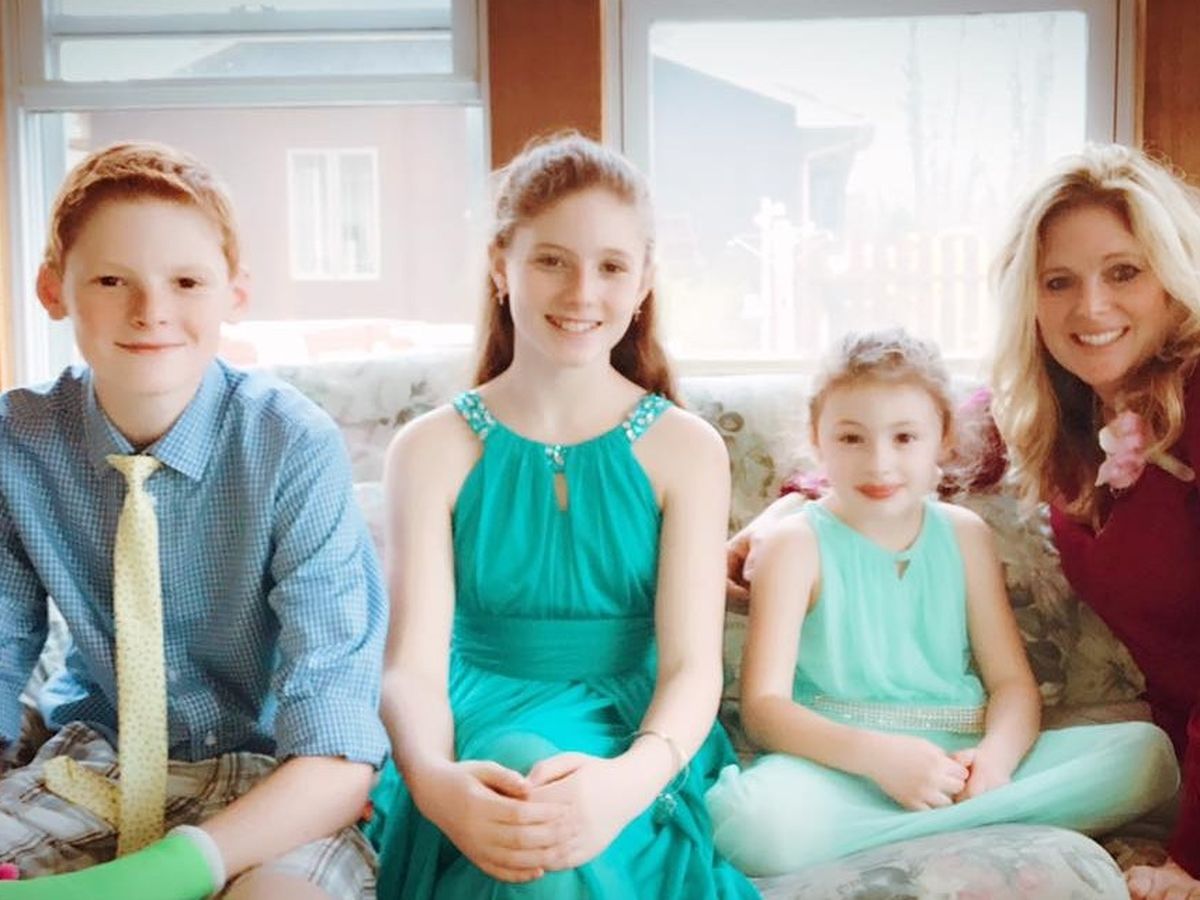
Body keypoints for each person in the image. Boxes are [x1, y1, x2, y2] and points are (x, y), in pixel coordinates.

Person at [364, 133, 756, 899]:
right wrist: (437, 785)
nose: (582, 293)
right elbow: (411, 668)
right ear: (500, 266)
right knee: (524, 779)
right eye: (551, 260)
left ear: (643, 282)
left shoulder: (687, 450)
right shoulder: (430, 448)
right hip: (472, 728)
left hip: (639, 737)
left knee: (546, 811)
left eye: (611, 267)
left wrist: (625, 784)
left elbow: (692, 668)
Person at [0, 142, 388, 899]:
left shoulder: (291, 443)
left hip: (271, 786)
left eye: (186, 281)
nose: (151, 311)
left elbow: (337, 751)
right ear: (53, 289)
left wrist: (156, 878)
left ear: (234, 293)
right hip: (91, 764)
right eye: (111, 280)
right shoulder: (17, 441)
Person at [706, 328, 1178, 876]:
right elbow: (764, 710)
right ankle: (976, 823)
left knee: (1148, 755)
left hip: (961, 763)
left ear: (944, 439)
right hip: (840, 768)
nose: (879, 463)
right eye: (852, 438)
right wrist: (882, 758)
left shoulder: (963, 534)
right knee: (745, 821)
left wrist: (994, 765)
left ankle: (958, 816)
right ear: (818, 439)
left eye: (905, 437)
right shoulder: (793, 544)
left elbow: (1012, 685)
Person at [991, 143, 1200, 900]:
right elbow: (932, 432)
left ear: (1173, 279)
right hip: (1168, 750)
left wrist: (1193, 860)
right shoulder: (1068, 412)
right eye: (1059, 282)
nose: (1091, 308)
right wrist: (801, 498)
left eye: (1123, 272)